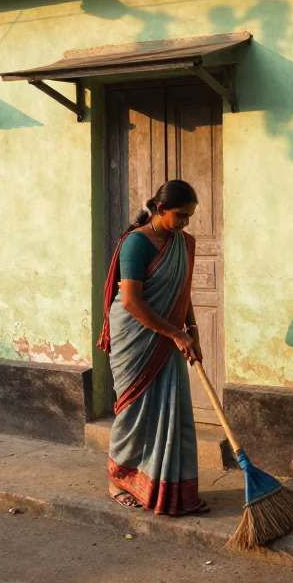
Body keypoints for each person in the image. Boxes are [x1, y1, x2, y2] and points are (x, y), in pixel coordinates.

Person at [97, 179, 208, 516]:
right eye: (180, 215)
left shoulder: (183, 243)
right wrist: (176, 333)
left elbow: (182, 292)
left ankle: (168, 489)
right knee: (134, 412)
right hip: (135, 337)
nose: (185, 222)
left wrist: (192, 331)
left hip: (168, 334)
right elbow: (131, 301)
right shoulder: (136, 243)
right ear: (160, 209)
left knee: (173, 411)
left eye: (189, 216)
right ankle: (118, 481)